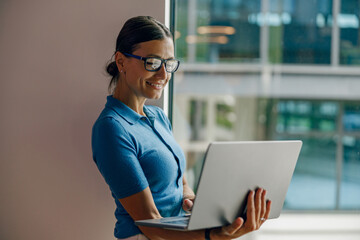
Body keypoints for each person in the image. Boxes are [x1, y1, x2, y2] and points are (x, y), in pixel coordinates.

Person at [91, 16, 271, 240]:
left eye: (169, 64)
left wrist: (196, 203)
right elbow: (149, 222)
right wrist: (212, 236)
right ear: (121, 62)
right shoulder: (112, 128)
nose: (163, 75)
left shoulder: (158, 117)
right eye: (153, 63)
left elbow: (180, 181)